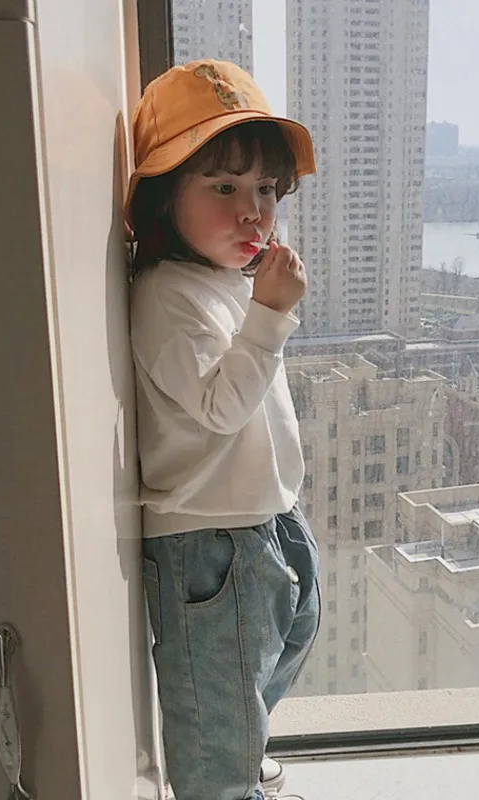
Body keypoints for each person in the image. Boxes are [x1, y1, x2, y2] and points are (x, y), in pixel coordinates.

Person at [126, 59, 321, 800]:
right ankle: (224, 778)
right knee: (217, 698)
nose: (253, 212)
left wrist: (261, 307)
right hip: (206, 537)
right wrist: (269, 313)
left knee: (288, 637)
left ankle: (243, 747)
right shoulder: (165, 295)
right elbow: (220, 408)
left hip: (263, 518)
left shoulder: (223, 284)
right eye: (223, 188)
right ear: (162, 198)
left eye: (266, 190)